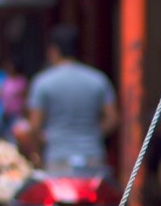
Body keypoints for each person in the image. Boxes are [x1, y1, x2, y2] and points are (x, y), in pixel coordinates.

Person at [27, 25, 118, 177]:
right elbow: (113, 118)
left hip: (57, 157)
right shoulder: (98, 79)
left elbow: (34, 125)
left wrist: (36, 152)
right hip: (92, 155)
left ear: (53, 50)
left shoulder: (43, 82)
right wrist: (93, 133)